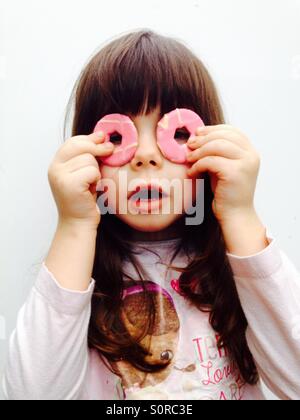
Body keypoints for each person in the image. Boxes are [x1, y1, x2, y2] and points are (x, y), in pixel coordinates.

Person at [2, 29, 300, 400]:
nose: (145, 156)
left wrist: (240, 215)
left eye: (175, 134)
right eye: (116, 138)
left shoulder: (237, 264)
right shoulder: (78, 274)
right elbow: (32, 394)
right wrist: (74, 226)